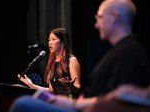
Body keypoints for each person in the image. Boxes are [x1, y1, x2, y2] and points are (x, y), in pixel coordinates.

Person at [9, 0, 150, 112]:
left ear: (114, 18)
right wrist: (33, 86)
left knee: (23, 104)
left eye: (99, 17)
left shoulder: (128, 53)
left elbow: (117, 102)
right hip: (77, 105)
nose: (96, 25)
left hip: (78, 106)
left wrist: (75, 104)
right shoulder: (120, 52)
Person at [18, 28, 81, 98]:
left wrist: (70, 86)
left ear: (63, 42)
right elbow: (51, 90)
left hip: (69, 103)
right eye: (49, 40)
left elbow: (78, 88)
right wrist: (32, 86)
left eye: (53, 39)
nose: (50, 43)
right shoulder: (52, 62)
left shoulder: (72, 60)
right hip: (56, 103)